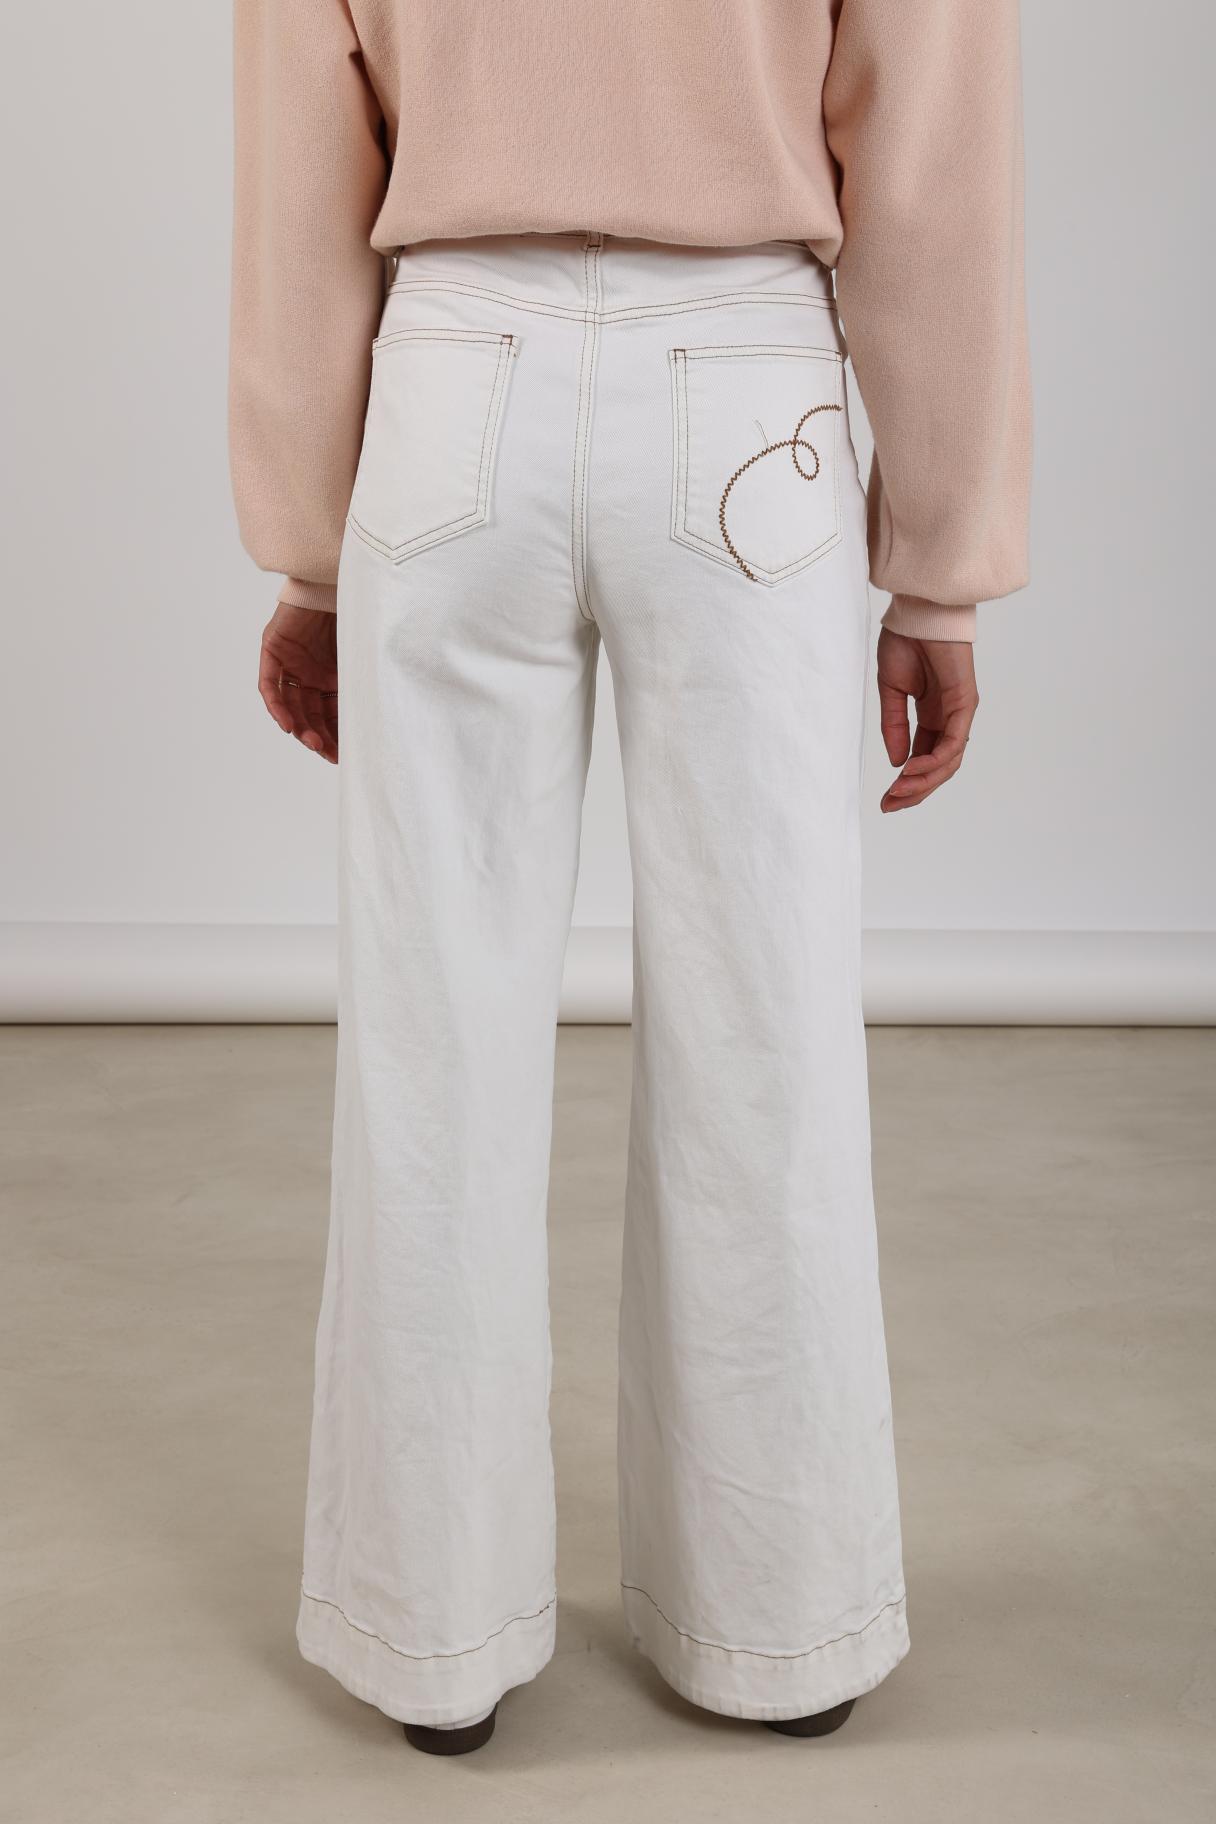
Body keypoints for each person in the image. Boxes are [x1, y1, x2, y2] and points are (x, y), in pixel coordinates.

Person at [229, 0, 1029, 1757]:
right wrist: (939, 566)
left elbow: (301, 150)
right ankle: (783, 1627)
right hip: (746, 391)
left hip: (453, 386)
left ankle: (431, 1634)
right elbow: (929, 141)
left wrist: (310, 552)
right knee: (769, 1033)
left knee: (434, 1038)